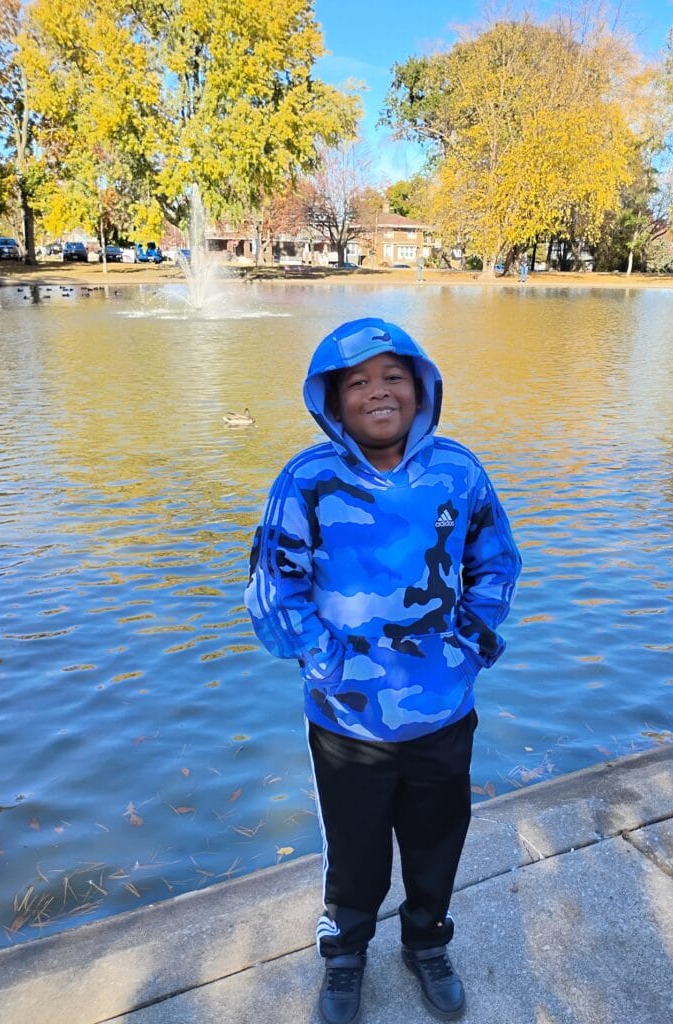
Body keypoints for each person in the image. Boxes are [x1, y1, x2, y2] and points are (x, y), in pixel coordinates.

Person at [245, 317, 521, 1024]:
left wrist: (472, 641)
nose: (377, 392)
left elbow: (495, 561)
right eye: (357, 382)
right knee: (354, 852)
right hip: (346, 720)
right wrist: (325, 663)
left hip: (442, 708)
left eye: (393, 376)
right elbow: (274, 588)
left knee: (437, 841)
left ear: (420, 387)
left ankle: (427, 941)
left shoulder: (459, 471)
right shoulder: (305, 480)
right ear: (332, 401)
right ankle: (345, 955)